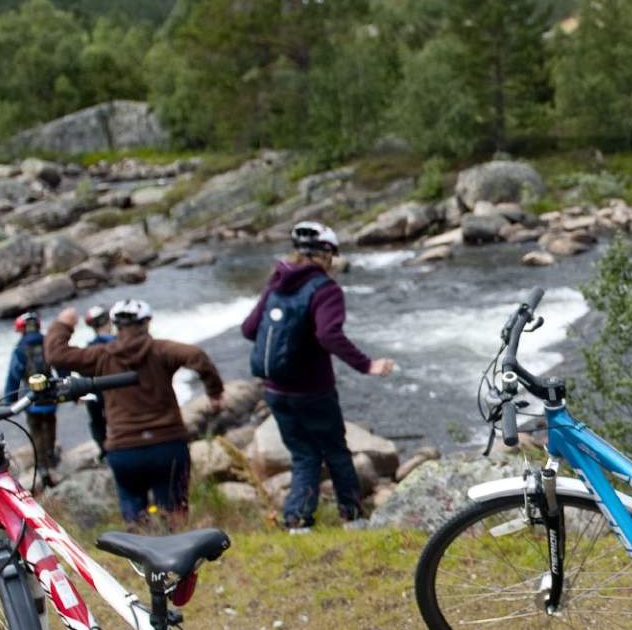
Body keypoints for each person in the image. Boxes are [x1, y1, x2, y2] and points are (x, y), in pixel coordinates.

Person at [241, 220, 395, 532]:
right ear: (327, 254)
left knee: (303, 455)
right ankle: (353, 519)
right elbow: (328, 335)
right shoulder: (325, 289)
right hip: (313, 390)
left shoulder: (276, 281)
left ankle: (297, 521)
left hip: (275, 389)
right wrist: (367, 365)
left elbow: (248, 329)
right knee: (336, 451)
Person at [44, 299, 225, 525]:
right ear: (147, 322)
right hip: (167, 445)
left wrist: (64, 324)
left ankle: (140, 554)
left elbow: (56, 354)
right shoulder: (162, 350)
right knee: (174, 512)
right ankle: (177, 552)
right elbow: (196, 355)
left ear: (116, 326)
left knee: (134, 516)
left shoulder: (101, 356)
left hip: (124, 449)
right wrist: (214, 393)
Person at [4, 311, 61, 488]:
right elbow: (61, 364)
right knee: (50, 423)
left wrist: (10, 401)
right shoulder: (48, 343)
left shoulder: (19, 349)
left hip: (32, 400)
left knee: (36, 431)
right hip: (51, 395)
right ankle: (51, 457)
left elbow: (13, 376)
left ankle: (42, 466)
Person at [79, 305, 115, 451]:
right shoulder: (118, 343)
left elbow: (83, 372)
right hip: (116, 393)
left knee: (97, 423)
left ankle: (104, 451)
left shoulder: (88, 348)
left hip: (95, 394)